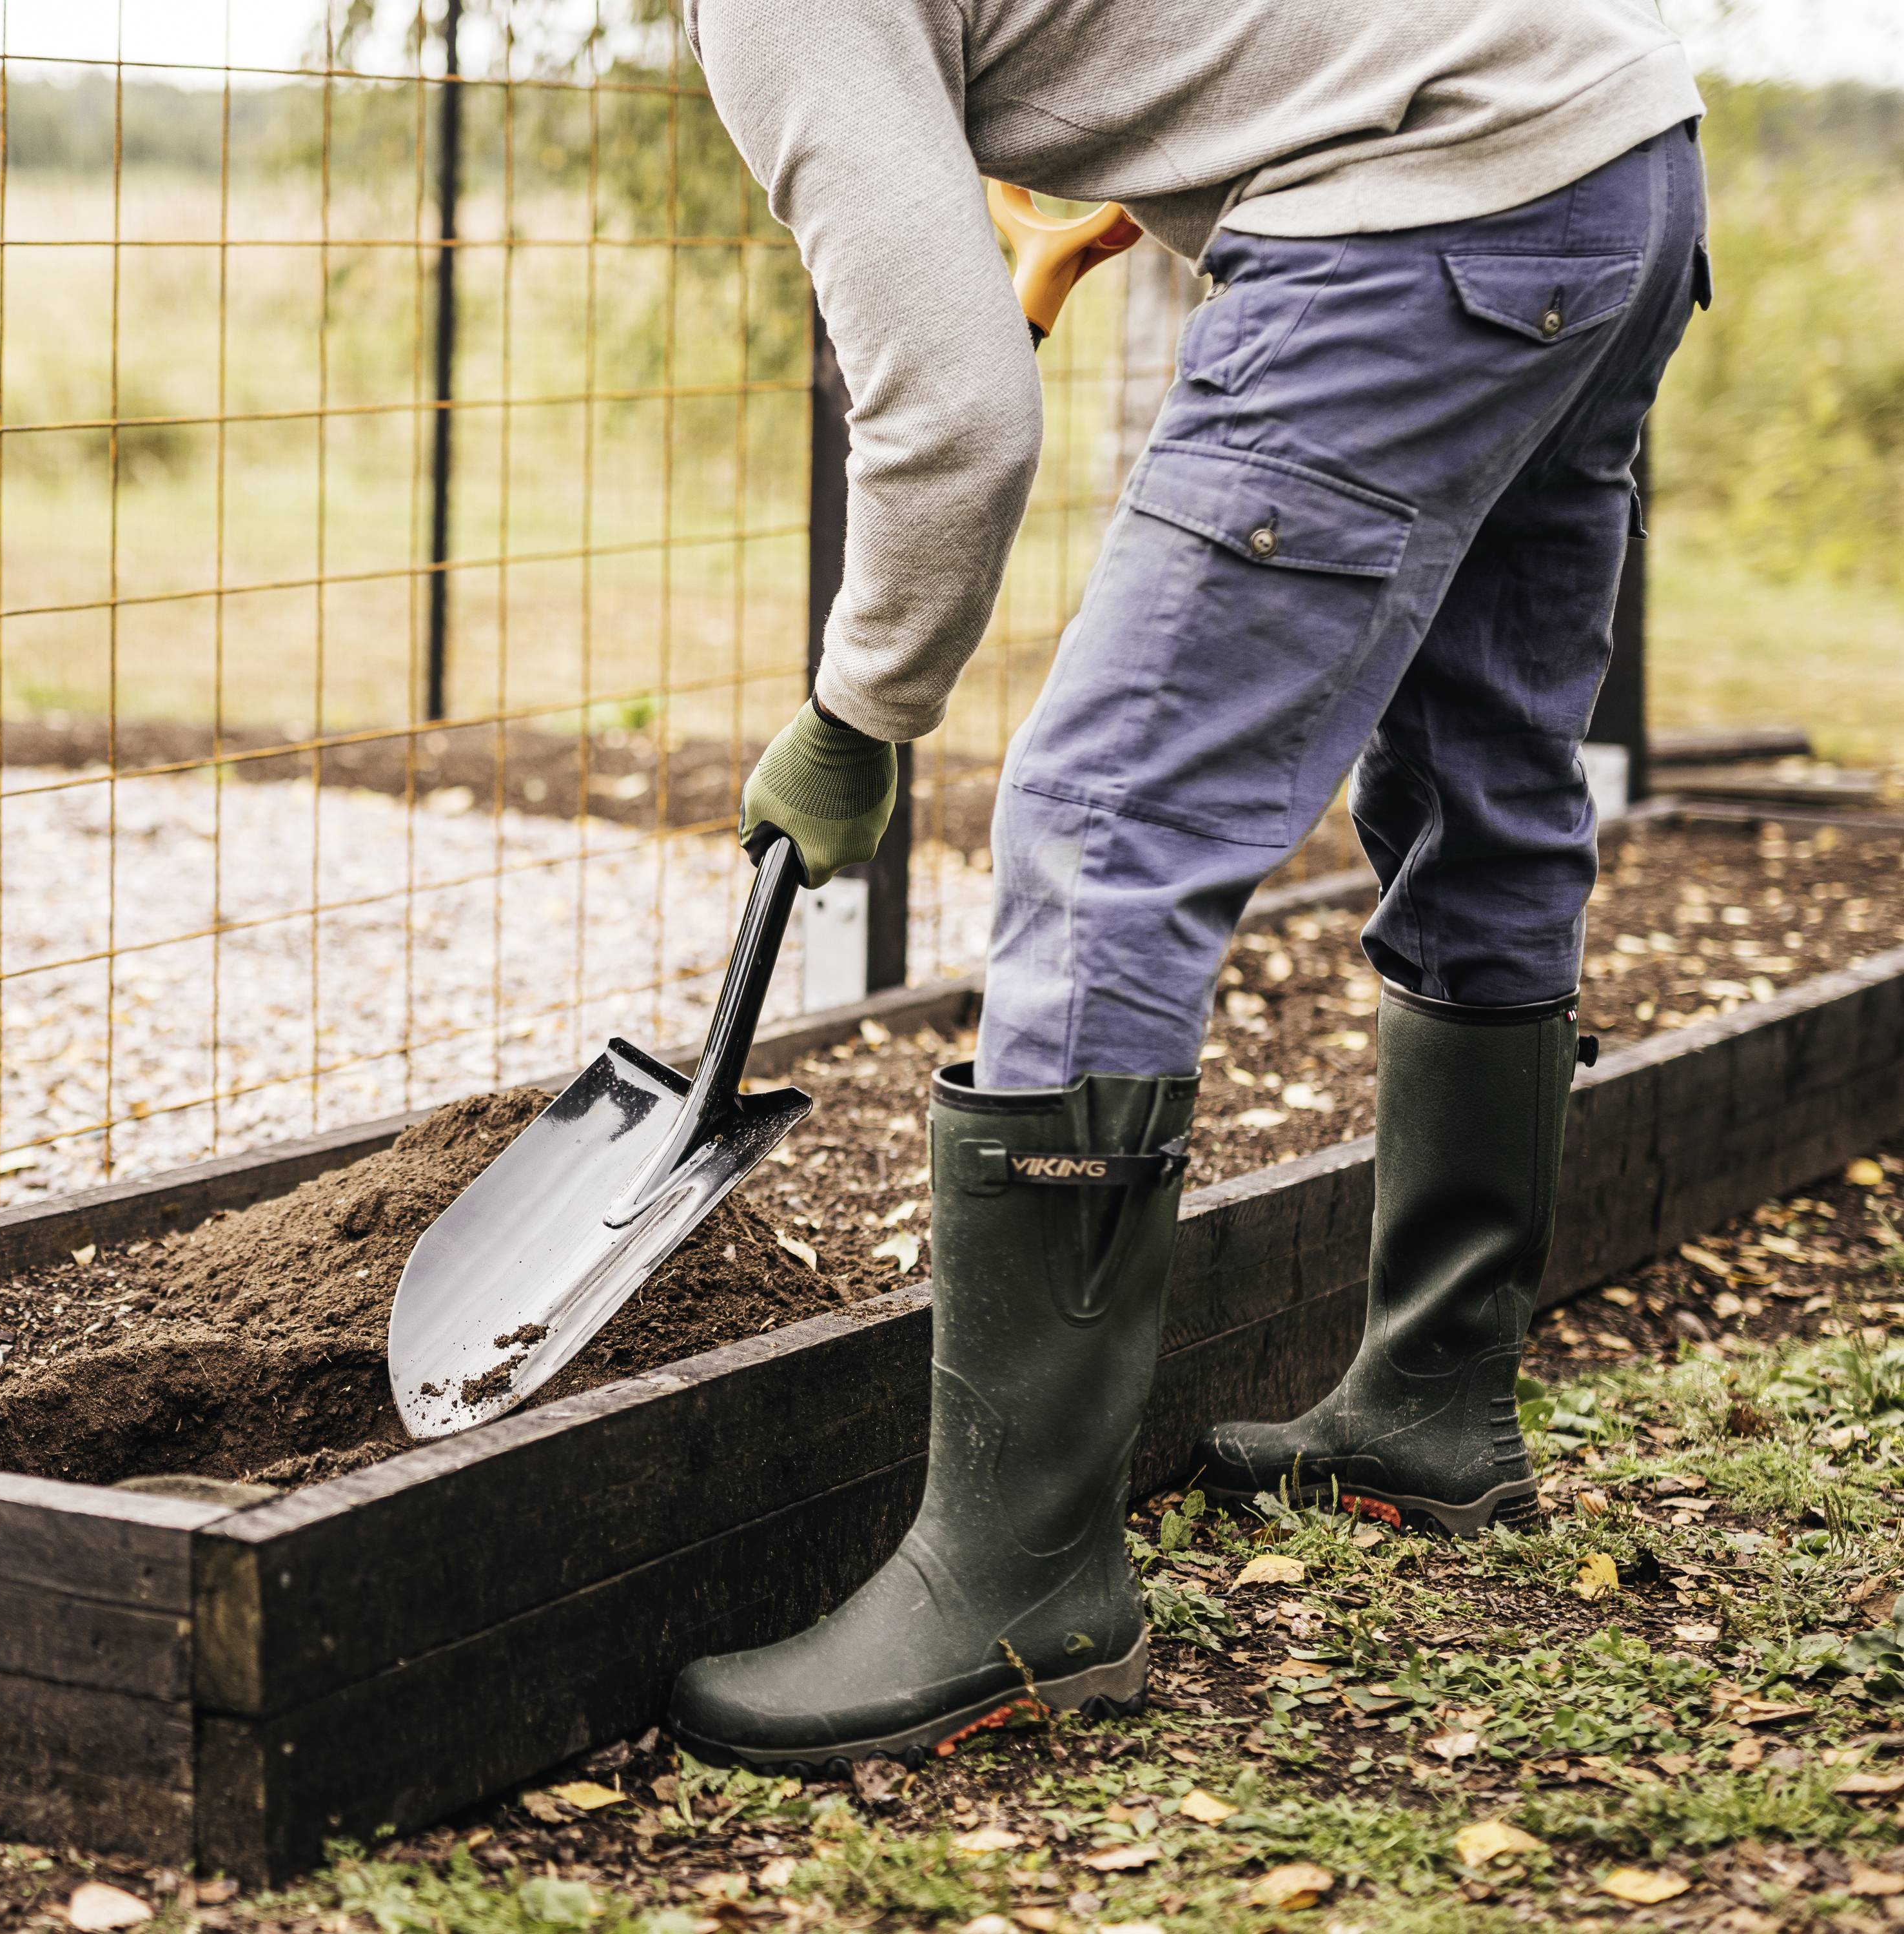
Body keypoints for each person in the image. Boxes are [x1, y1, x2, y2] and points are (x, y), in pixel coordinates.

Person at [667, 0, 1711, 1773]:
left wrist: (861, 710)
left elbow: (956, 423)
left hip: (1422, 206)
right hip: (1610, 151)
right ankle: (1438, 1406)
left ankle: (1017, 1576)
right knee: (1484, 769)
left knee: (1100, 822)